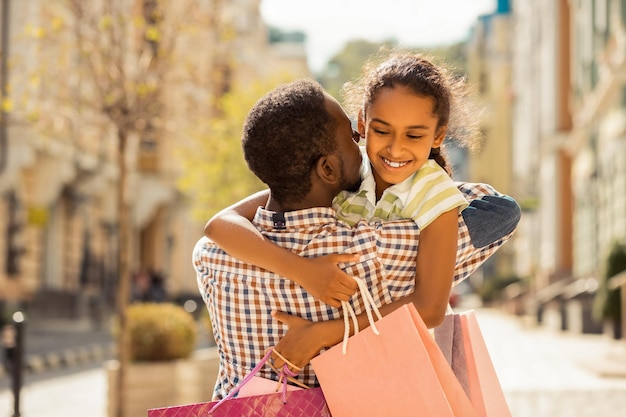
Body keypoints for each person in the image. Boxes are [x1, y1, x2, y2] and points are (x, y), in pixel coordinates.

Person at [193, 78, 519, 400]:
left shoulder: (213, 256)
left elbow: (218, 225)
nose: (361, 146)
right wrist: (418, 177)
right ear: (328, 169)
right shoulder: (380, 247)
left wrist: (300, 269)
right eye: (352, 136)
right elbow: (499, 212)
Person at [204, 51, 518, 311]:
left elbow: (430, 308)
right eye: (382, 131)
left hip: (385, 349)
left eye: (414, 135)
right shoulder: (349, 175)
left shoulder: (433, 192)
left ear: (437, 135)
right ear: (363, 124)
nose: (395, 148)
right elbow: (220, 225)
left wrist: (324, 333)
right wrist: (303, 272)